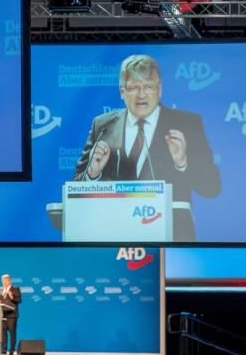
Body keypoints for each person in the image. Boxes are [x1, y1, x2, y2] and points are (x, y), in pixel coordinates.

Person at [72, 54, 221, 241]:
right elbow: (75, 193)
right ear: (121, 91)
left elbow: (211, 188)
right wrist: (92, 173)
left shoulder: (187, 124)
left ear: (160, 90)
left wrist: (182, 162)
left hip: (171, 244)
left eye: (149, 87)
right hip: (113, 240)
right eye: (134, 87)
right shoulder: (102, 126)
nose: (141, 95)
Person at [0, 274, 21, 355]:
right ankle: (4, 350)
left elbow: (19, 300)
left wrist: (12, 297)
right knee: (3, 334)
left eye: (5, 280)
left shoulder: (15, 289)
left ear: (9, 281)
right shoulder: (0, 290)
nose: (4, 282)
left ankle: (12, 351)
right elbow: (0, 302)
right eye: (3, 281)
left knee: (12, 334)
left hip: (12, 315)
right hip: (3, 315)